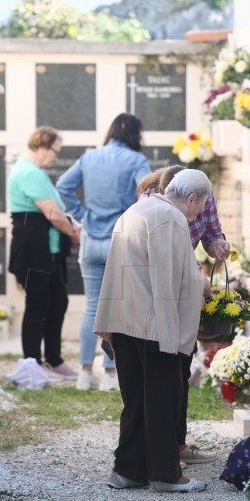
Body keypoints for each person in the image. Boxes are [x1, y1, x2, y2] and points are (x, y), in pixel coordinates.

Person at [94, 169, 211, 493]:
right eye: (199, 208)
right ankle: (165, 475)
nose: (197, 214)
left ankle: (129, 470)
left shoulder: (139, 209)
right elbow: (168, 279)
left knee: (137, 401)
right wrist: (174, 334)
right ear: (190, 198)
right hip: (152, 325)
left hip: (126, 320)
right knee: (162, 400)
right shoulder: (170, 218)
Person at [56, 114, 151, 392]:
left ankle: (84, 373)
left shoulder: (89, 157)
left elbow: (63, 185)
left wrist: (81, 215)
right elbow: (147, 192)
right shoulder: (136, 160)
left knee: (92, 308)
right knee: (116, 309)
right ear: (135, 134)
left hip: (90, 239)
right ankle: (110, 373)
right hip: (119, 239)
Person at [158, 165, 231, 467]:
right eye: (198, 204)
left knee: (182, 367)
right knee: (164, 369)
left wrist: (219, 247)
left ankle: (177, 444)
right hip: (163, 289)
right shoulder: (154, 205)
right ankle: (161, 447)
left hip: (189, 288)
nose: (199, 210)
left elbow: (212, 236)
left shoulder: (205, 197)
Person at [7, 126, 80, 382]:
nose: (55, 158)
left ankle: (53, 360)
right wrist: (73, 232)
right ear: (41, 145)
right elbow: (52, 213)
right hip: (35, 249)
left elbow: (56, 211)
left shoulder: (35, 172)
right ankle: (33, 364)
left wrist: (68, 227)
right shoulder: (28, 171)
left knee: (57, 302)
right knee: (37, 305)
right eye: (54, 151)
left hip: (48, 249)